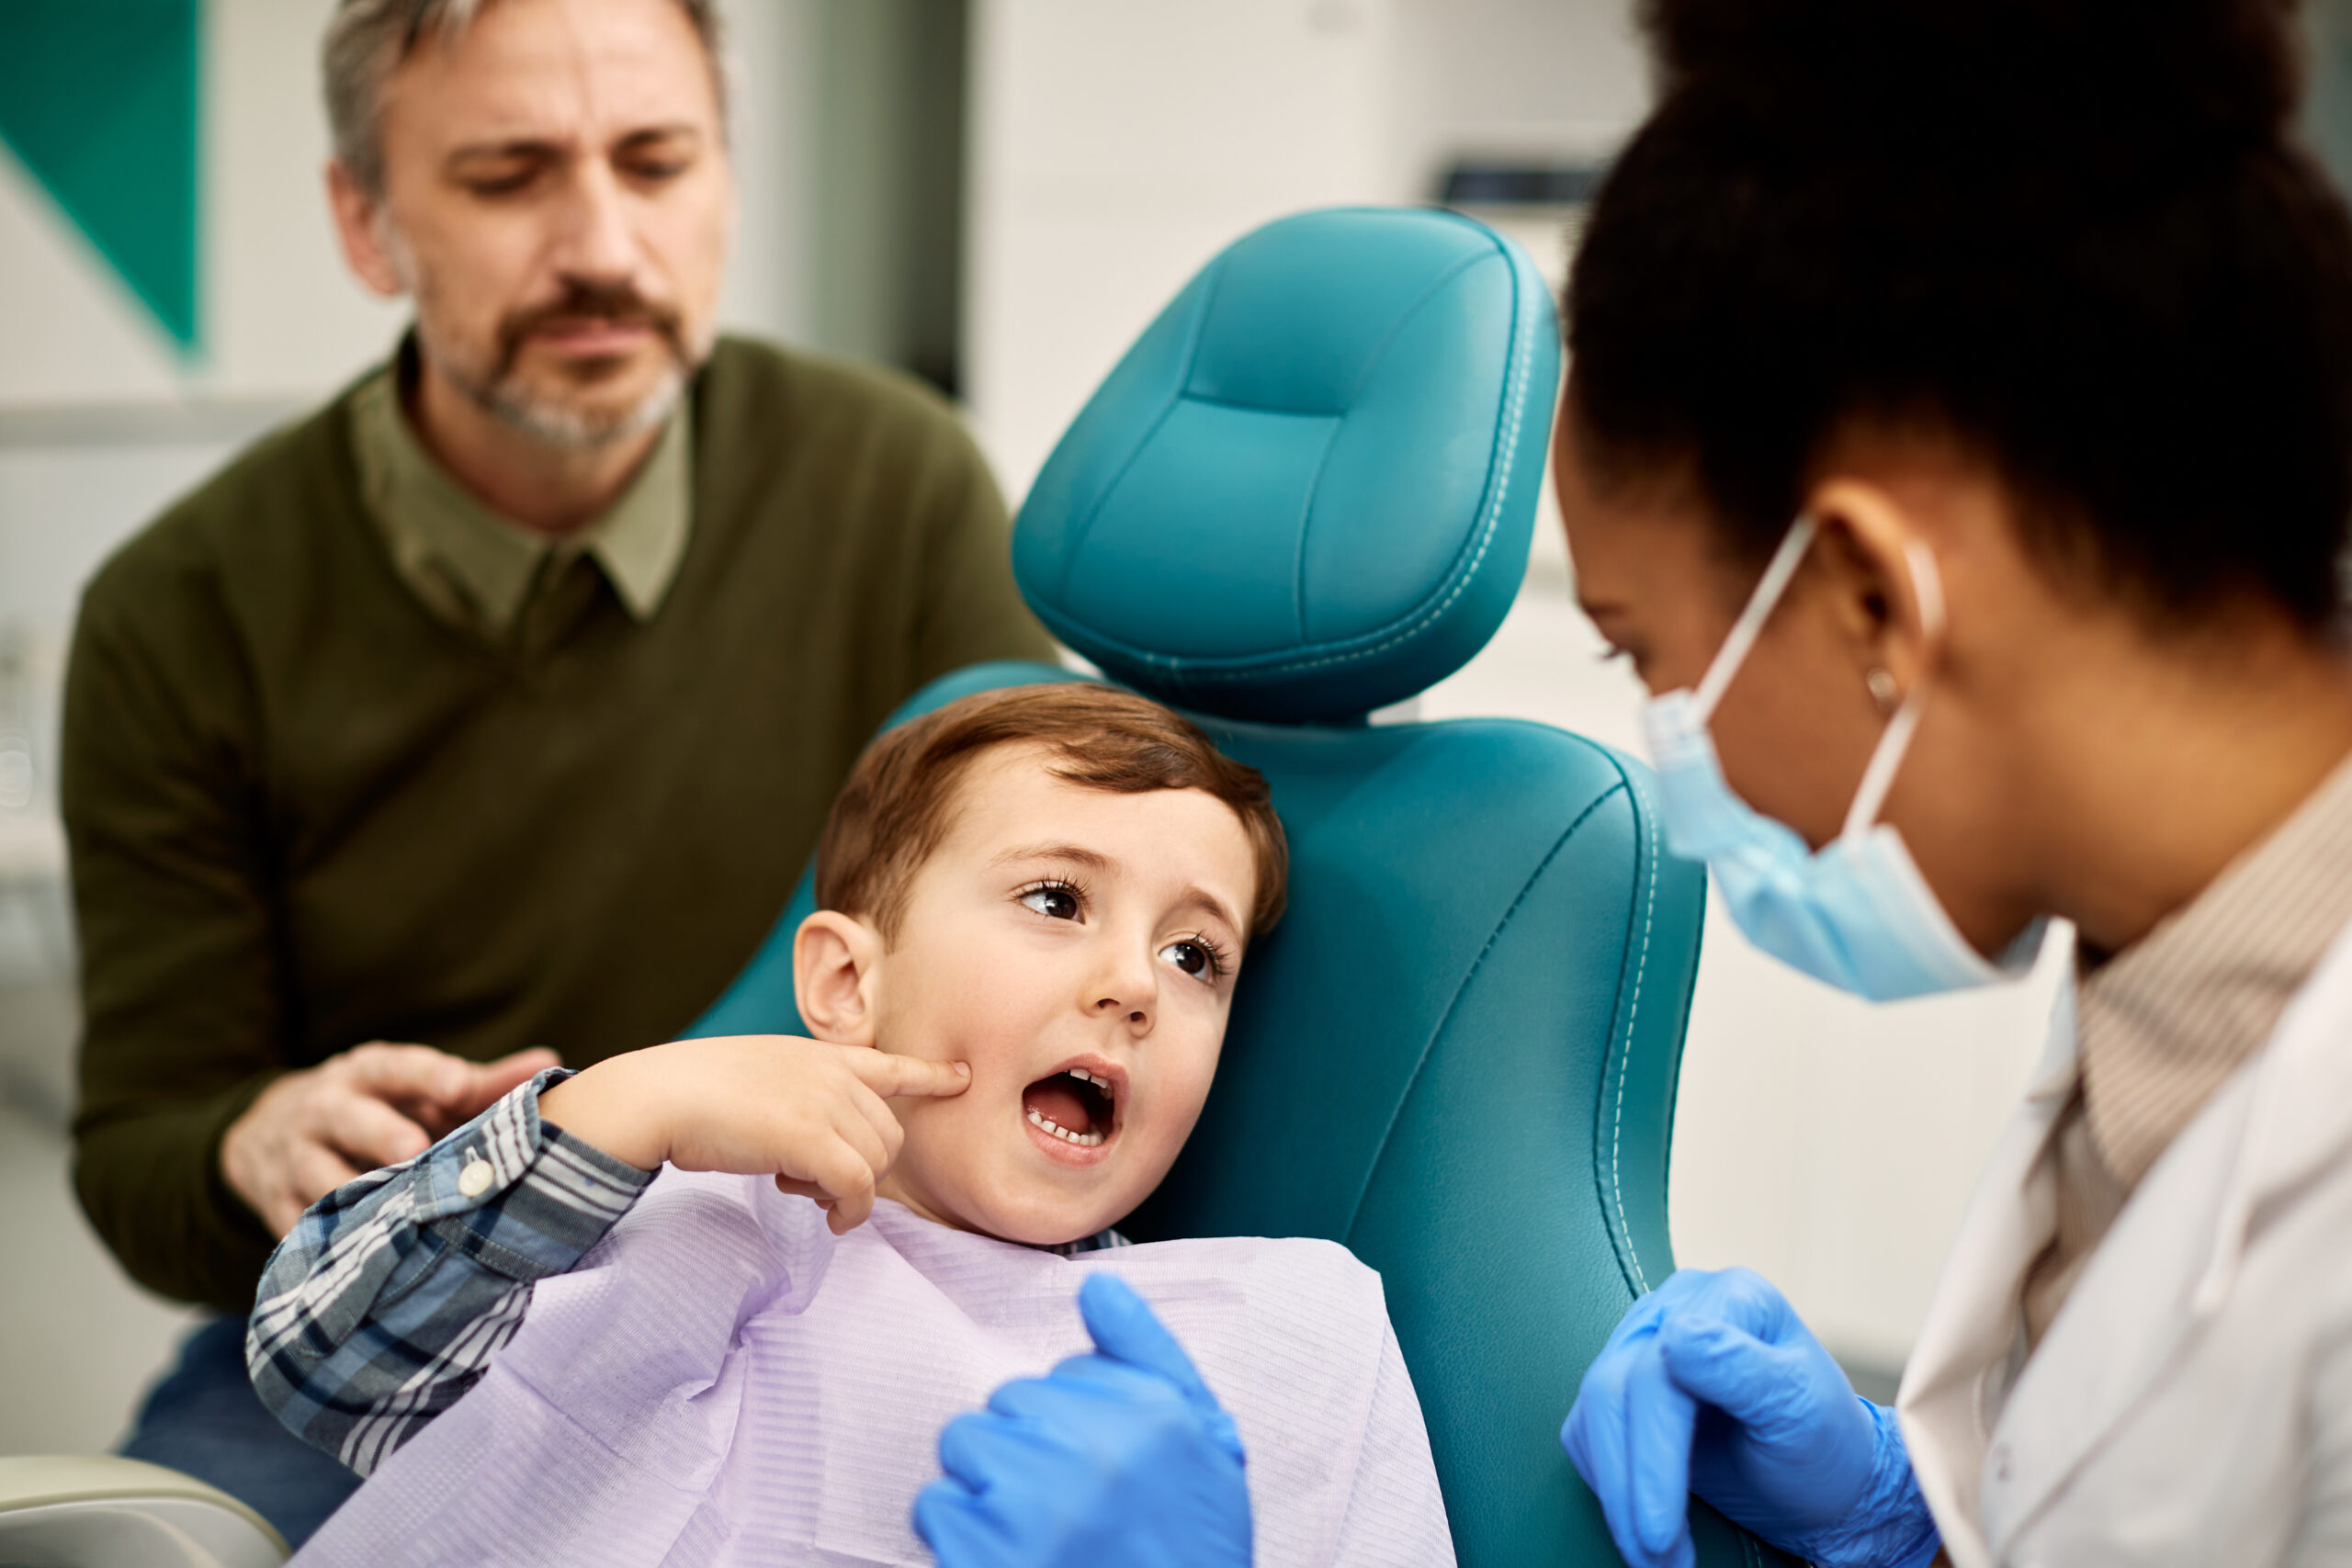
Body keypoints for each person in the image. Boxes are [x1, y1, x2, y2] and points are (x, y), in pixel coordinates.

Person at [894, 0, 2352, 1563]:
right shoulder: (2181, 995)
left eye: (1644, 651)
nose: (1672, 739)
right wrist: (1914, 1517)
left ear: (1873, 598)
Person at [63, 0, 1049, 1541]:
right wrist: (246, 1138)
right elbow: (141, 1141)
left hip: (817, 1279)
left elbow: (1029, 944)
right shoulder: (178, 613)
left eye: (655, 162)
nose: (602, 246)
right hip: (410, 1315)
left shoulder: (899, 489)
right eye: (508, 177)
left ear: (724, 178)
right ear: (367, 223)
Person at [247, 683, 1454, 1566]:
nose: (1135, 984)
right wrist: (609, 1106)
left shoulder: (1281, 1344)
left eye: (1196, 956)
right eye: (1056, 899)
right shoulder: (671, 1228)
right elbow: (318, 1358)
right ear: (843, 985)